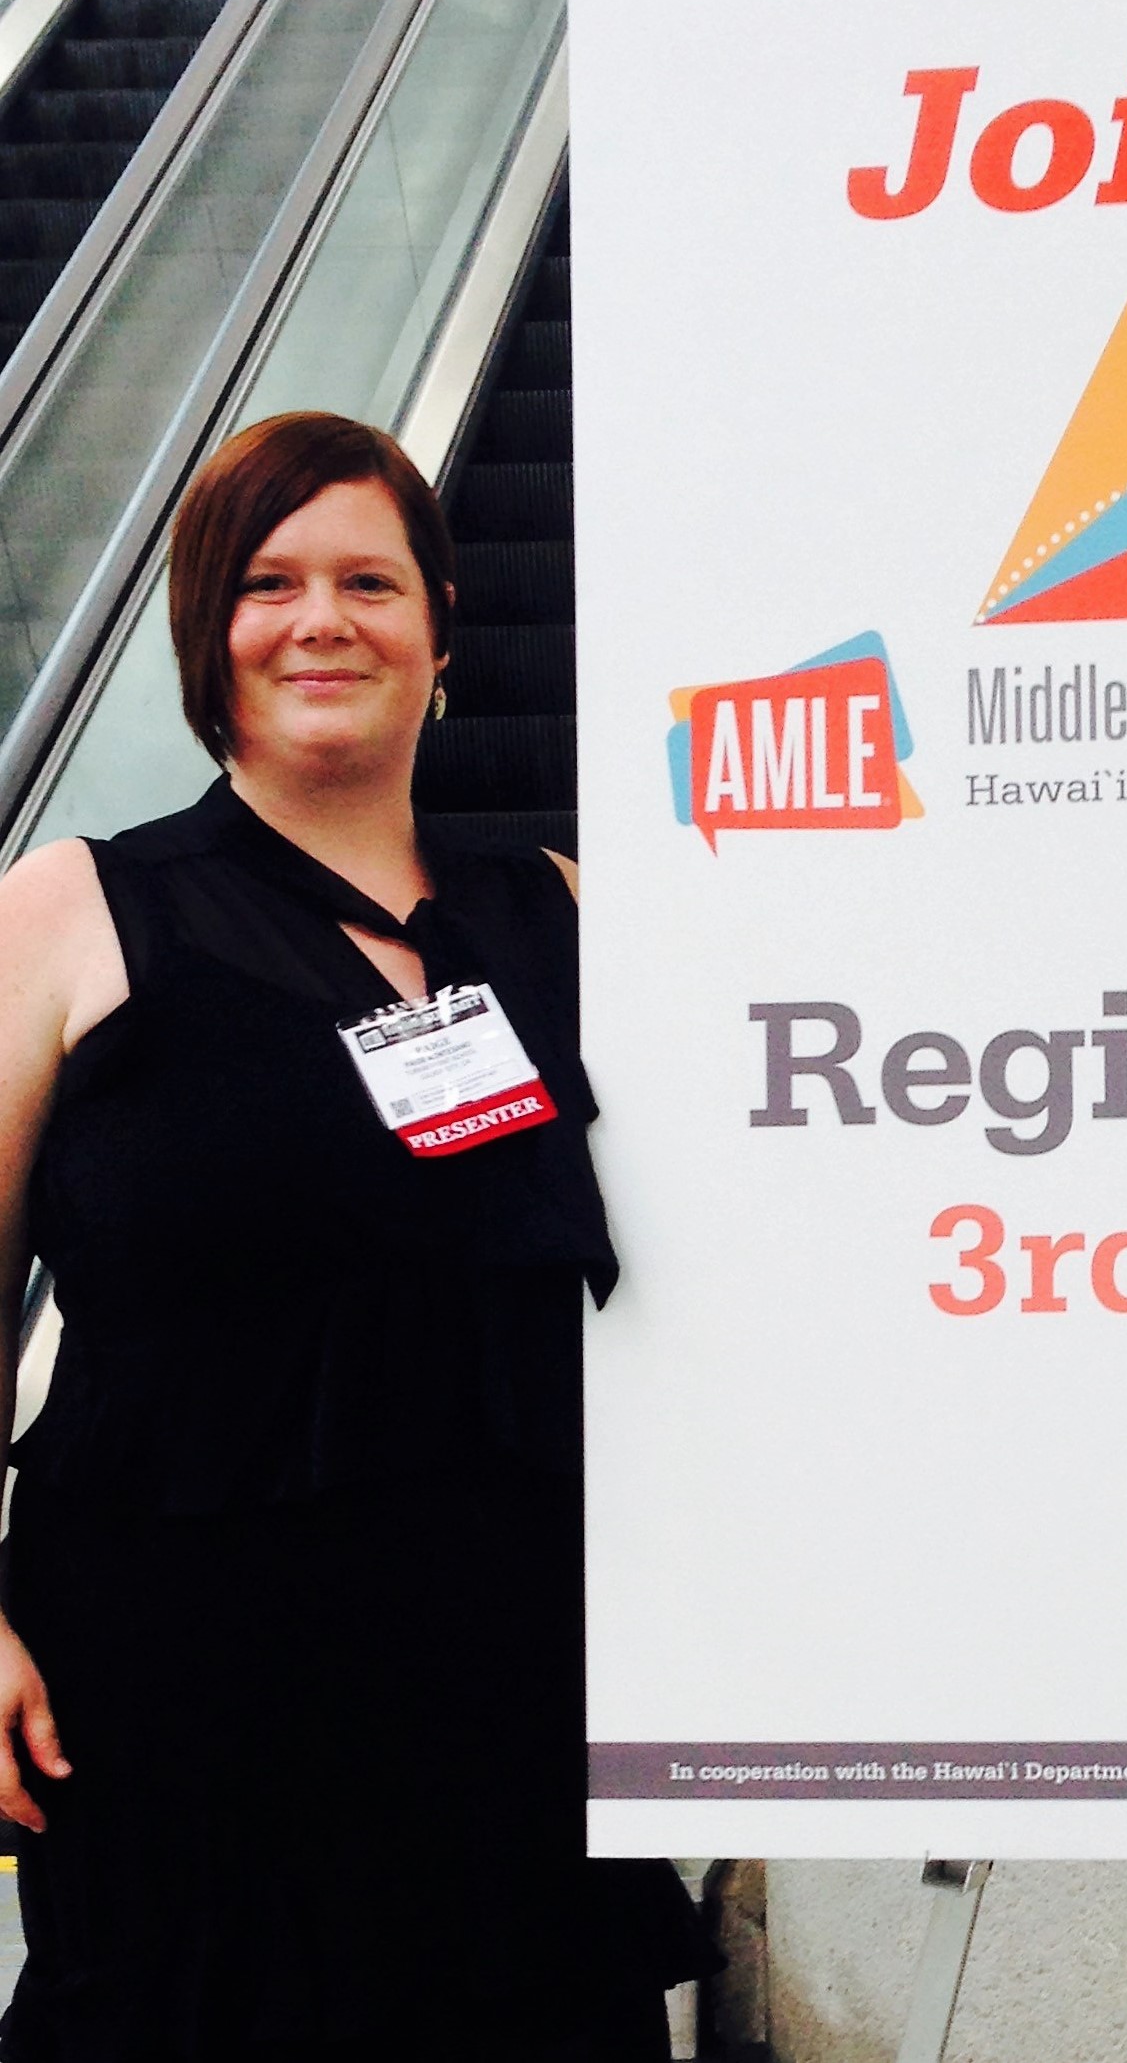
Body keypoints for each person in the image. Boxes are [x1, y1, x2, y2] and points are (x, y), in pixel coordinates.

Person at [0, 411, 695, 2060]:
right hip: (173, 1684)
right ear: (206, 634)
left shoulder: (569, 909)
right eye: (269, 581)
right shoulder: (69, 910)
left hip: (510, 1661)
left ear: (443, 630)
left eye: (370, 580)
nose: (323, 619)